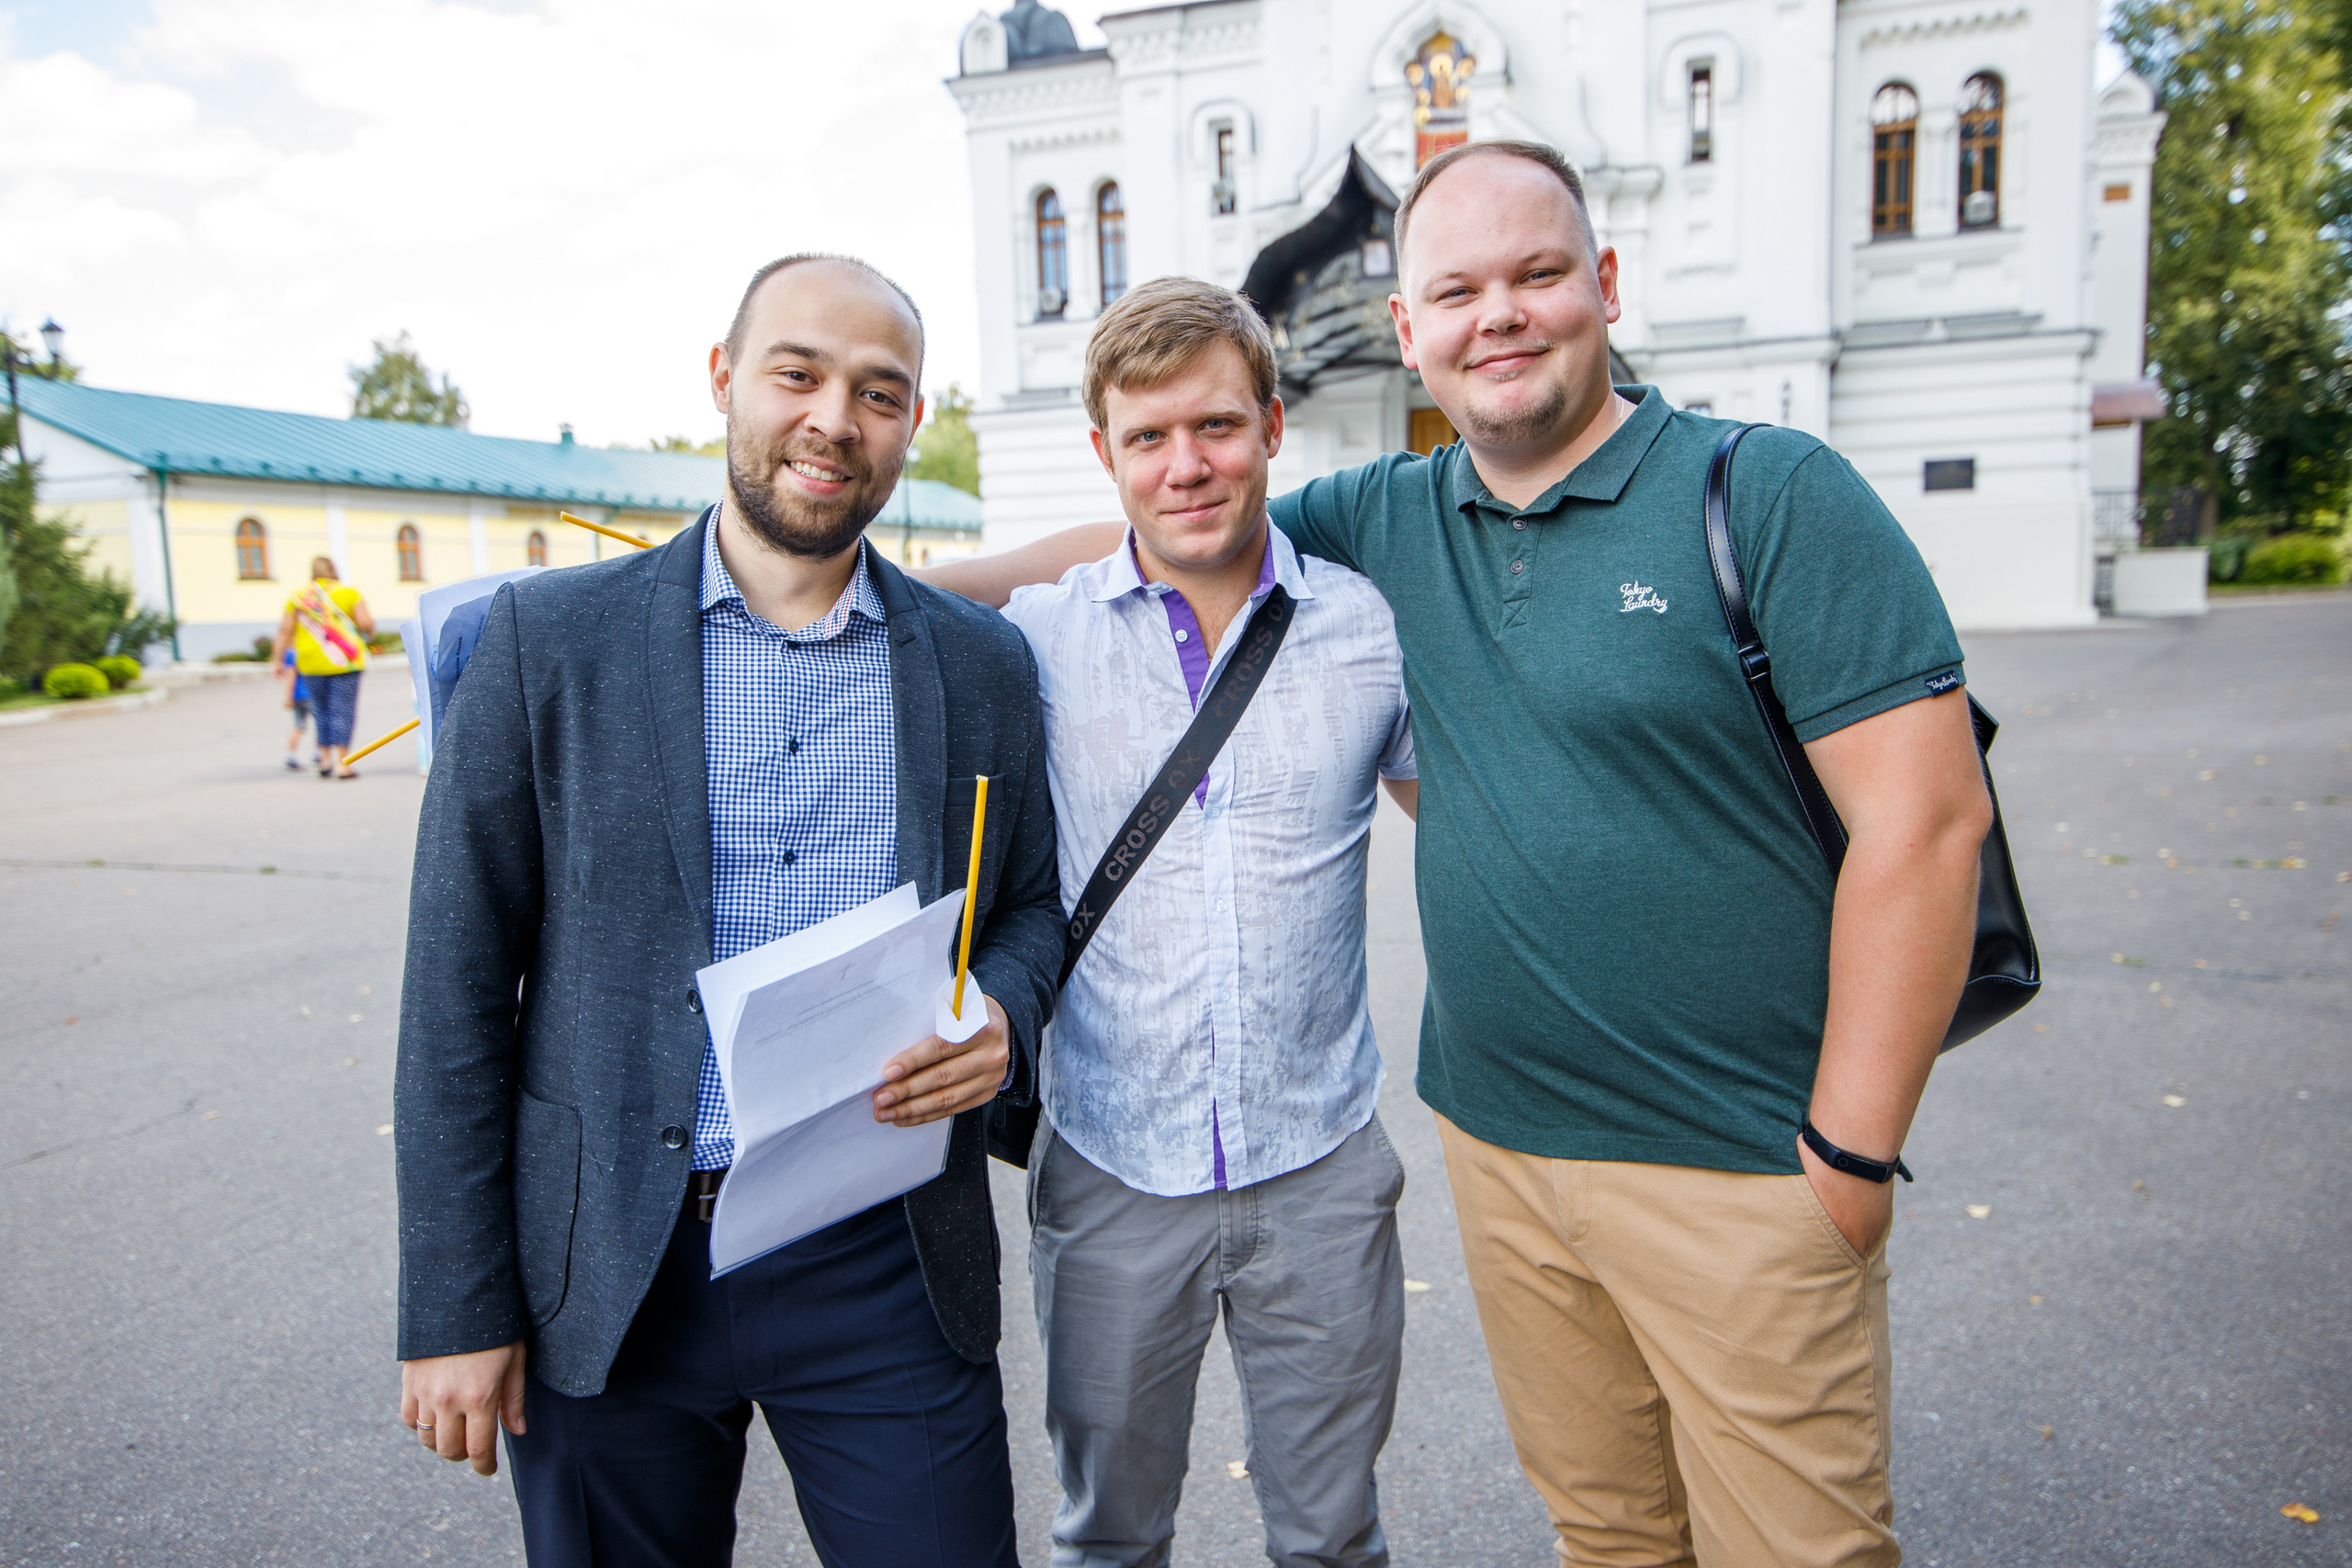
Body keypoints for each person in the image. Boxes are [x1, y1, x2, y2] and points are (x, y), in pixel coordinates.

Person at [928, 141, 1995, 1567]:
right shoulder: (1386, 523)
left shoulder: (1770, 491)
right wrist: (885, 585)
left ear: (1604, 286)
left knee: (1797, 1549)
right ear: (1409, 331)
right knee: (1610, 1532)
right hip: (1503, 1151)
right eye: (1458, 290)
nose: (1499, 314)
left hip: (1742, 1158)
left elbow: (1929, 826)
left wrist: (1850, 1151)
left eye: (1538, 274)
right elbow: (1162, 518)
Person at [394, 254, 1065, 1568]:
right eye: (798, 372)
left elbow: (1032, 904)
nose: (835, 418)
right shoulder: (548, 643)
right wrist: (454, 1300)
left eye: (880, 391)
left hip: (885, 1255)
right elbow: (454, 987)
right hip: (613, 1265)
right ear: (723, 380)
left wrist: (1005, 1010)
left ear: (913, 422)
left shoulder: (980, 663)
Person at [999, 278, 1418, 1568]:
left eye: (1218, 427)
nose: (1188, 465)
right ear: (1104, 454)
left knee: (1333, 1534)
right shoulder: (1034, 638)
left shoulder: (1369, 628)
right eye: (1149, 436)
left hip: (1322, 1163)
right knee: (1109, 1534)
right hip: (1115, 1166)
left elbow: (1483, 830)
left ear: (1274, 426)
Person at [269, 555, 371, 778]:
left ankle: (325, 760)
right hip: (344, 662)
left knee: (321, 710)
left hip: (310, 663)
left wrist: (277, 660)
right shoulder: (349, 593)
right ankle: (342, 764)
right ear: (334, 571)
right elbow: (366, 623)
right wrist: (365, 634)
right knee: (343, 711)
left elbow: (285, 631)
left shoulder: (298, 597)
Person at [278, 645, 317, 772]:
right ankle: (320, 753)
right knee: (322, 723)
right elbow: (291, 674)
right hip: (310, 694)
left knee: (299, 726)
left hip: (297, 696)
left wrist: (288, 696)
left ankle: (291, 756)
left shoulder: (290, 652)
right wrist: (287, 696)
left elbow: (289, 674)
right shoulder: (303, 650)